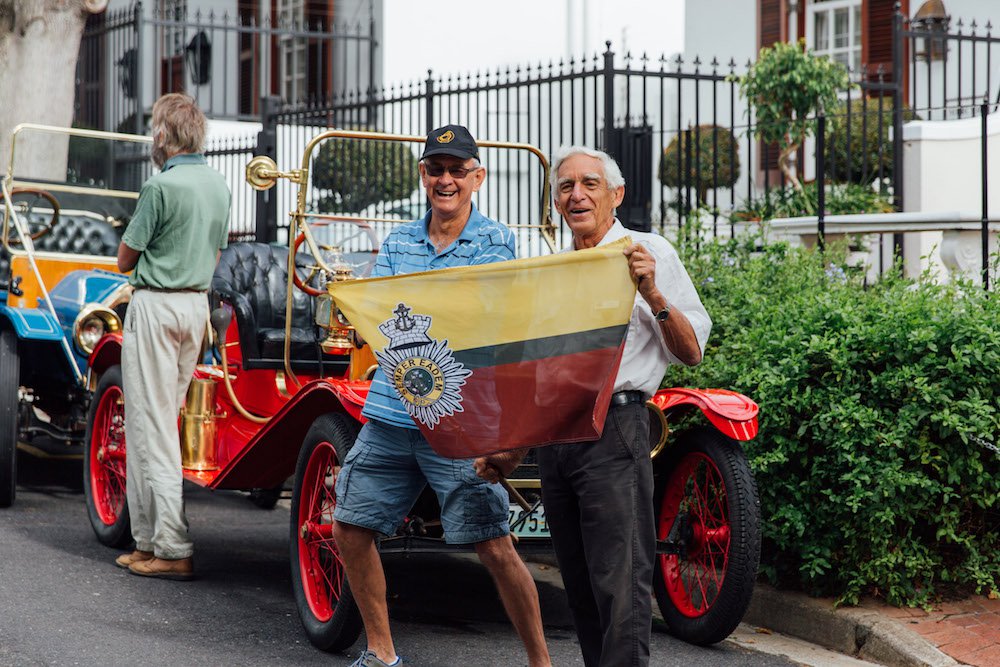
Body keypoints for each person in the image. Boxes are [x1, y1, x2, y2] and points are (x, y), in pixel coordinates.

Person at [332, 125, 551, 667]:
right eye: (436, 169)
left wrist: (410, 314)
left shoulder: (496, 240)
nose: (445, 179)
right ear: (423, 175)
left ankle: (542, 665)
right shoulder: (401, 240)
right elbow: (381, 315)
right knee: (349, 527)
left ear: (477, 177)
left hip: (458, 417)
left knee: (495, 544)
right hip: (391, 410)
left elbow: (484, 322)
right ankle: (382, 653)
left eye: (457, 169)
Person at [532, 145, 710, 666]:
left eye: (589, 184)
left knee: (622, 582)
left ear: (617, 195)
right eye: (565, 187)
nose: (577, 195)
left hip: (616, 426)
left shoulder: (648, 251)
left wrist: (652, 291)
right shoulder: (558, 267)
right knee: (581, 585)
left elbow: (692, 351)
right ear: (557, 202)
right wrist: (511, 446)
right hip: (557, 434)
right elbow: (540, 370)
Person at [113, 93, 231, 580]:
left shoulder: (160, 187)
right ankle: (148, 540)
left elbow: (125, 259)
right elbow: (217, 253)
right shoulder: (218, 185)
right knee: (159, 421)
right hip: (194, 305)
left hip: (157, 306)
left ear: (163, 134)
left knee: (152, 426)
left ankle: (172, 545)